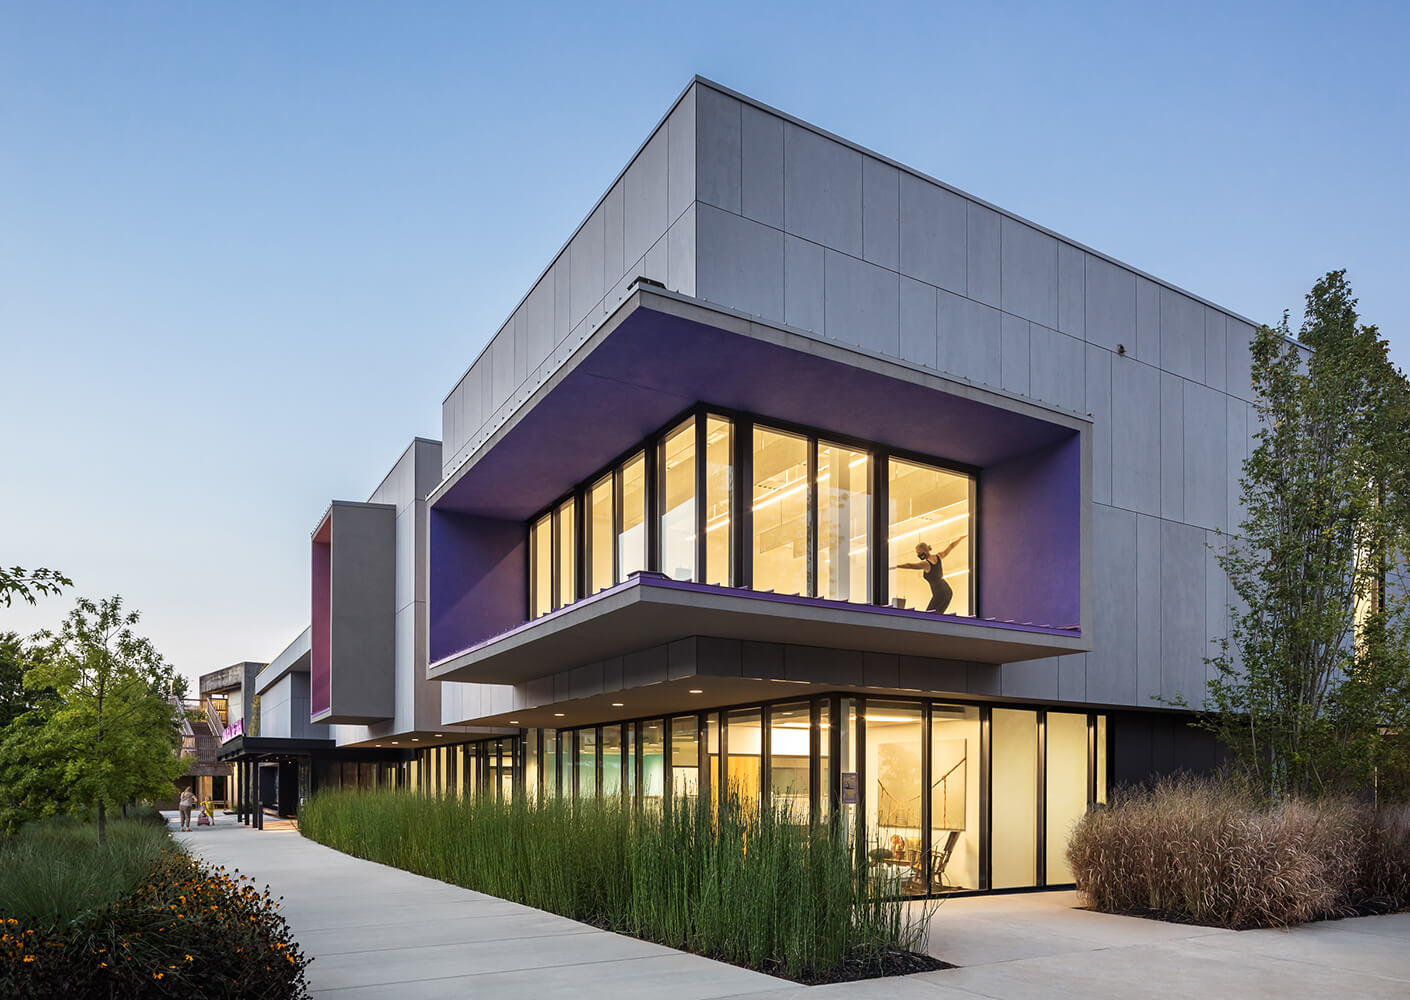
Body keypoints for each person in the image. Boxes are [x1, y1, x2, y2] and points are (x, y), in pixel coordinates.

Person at [893, 536, 967, 613]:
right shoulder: (938, 556)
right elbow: (951, 546)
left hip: (940, 593)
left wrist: (895, 566)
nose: (918, 555)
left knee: (929, 614)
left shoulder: (926, 564)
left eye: (918, 553)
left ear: (924, 551)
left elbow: (910, 565)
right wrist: (960, 538)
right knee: (934, 614)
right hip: (946, 591)